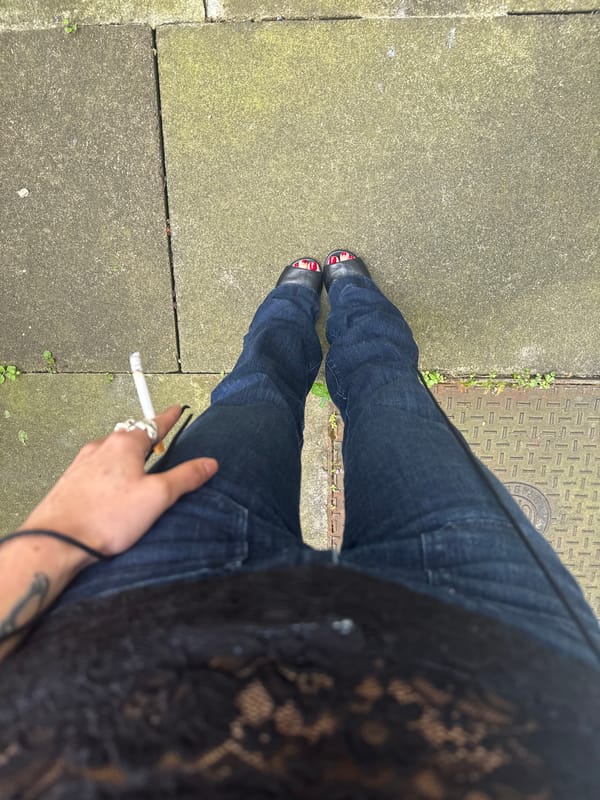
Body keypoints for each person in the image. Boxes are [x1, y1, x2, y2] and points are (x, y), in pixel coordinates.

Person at [0, 250, 598, 798]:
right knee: (392, 398)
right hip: (501, 650)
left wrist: (56, 534)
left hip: (138, 610)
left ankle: (296, 303)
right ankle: (350, 293)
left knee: (253, 396)